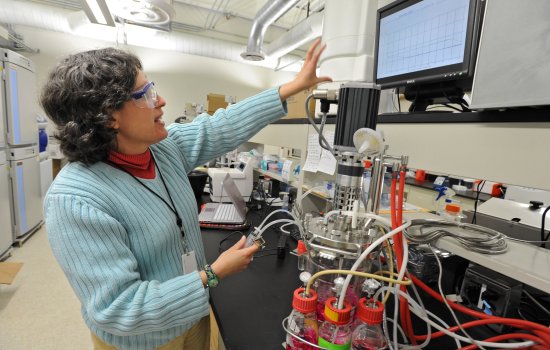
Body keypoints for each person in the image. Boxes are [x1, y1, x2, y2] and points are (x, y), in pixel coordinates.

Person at [41, 39, 332, 350]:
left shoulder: (163, 148)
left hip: (192, 314)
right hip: (144, 341)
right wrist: (213, 275)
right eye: (145, 94)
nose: (161, 100)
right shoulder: (75, 199)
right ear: (108, 116)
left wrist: (289, 89)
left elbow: (220, 127)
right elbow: (119, 309)